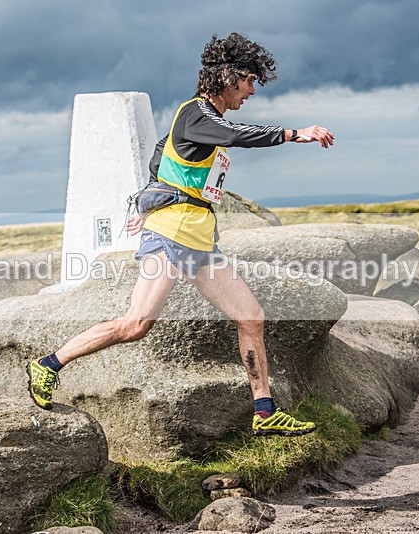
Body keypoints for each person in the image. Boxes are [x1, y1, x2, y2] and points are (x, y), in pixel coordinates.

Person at [27, 33, 335, 437]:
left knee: (251, 316)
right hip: (171, 236)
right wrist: (296, 133)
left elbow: (160, 156)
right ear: (230, 77)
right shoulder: (197, 114)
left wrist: (147, 200)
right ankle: (48, 364)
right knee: (136, 324)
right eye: (250, 81)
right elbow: (235, 135)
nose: (252, 90)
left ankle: (264, 411)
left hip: (200, 240)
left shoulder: (200, 122)